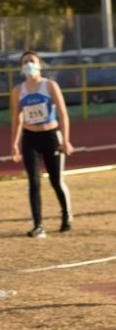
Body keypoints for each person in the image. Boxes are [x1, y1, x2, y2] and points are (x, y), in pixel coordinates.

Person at [10, 50, 74, 237]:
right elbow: (16, 118)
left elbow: (63, 113)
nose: (28, 64)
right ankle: (38, 225)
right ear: (21, 67)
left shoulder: (50, 85)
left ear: (39, 64)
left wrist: (66, 140)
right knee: (33, 183)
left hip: (51, 137)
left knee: (56, 181)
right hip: (30, 139)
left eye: (31, 60)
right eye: (25, 62)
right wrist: (14, 143)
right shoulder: (18, 90)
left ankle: (66, 215)